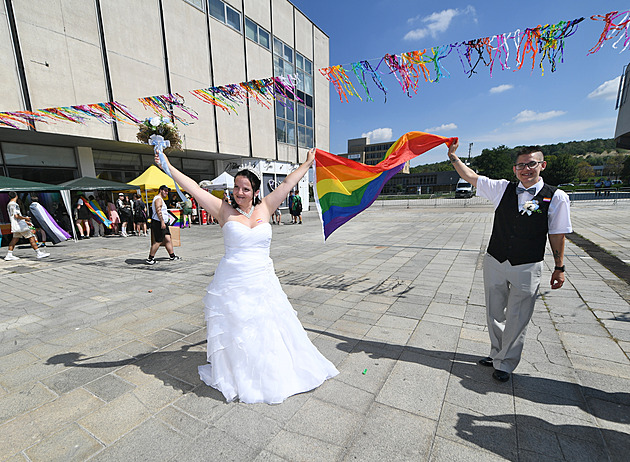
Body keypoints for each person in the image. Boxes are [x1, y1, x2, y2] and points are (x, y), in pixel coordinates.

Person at [154, 149, 338, 404]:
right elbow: (194, 188)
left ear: (255, 192)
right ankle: (241, 372)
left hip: (263, 279)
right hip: (233, 282)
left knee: (268, 326)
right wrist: (168, 166)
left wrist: (307, 163)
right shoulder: (223, 210)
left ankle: (270, 369)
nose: (239, 193)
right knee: (238, 328)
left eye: (245, 189)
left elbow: (288, 182)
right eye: (236, 188)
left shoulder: (266, 206)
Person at [447, 142, 571, 383]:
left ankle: (506, 362)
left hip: (527, 264)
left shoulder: (556, 197)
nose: (526, 169)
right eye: (521, 165)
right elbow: (471, 176)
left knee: (518, 315)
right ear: (515, 169)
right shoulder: (502, 189)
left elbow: (557, 234)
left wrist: (559, 267)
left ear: (542, 166)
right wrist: (453, 157)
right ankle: (496, 354)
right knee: (494, 311)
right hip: (495, 259)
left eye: (531, 164)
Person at [4, 192, 50, 260]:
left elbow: (14, 217)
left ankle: (9, 254)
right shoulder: (15, 205)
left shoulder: (9, 204)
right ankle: (38, 253)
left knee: (14, 239)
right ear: (16, 196)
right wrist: (25, 218)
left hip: (15, 225)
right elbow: (16, 216)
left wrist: (24, 220)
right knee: (31, 237)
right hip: (21, 226)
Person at [146, 185, 181, 265]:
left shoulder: (160, 199)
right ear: (161, 190)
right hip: (158, 222)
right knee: (158, 240)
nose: (166, 192)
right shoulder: (158, 199)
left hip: (163, 222)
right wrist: (162, 221)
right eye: (165, 191)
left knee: (168, 238)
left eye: (167, 191)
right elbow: (158, 210)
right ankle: (150, 259)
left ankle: (172, 256)